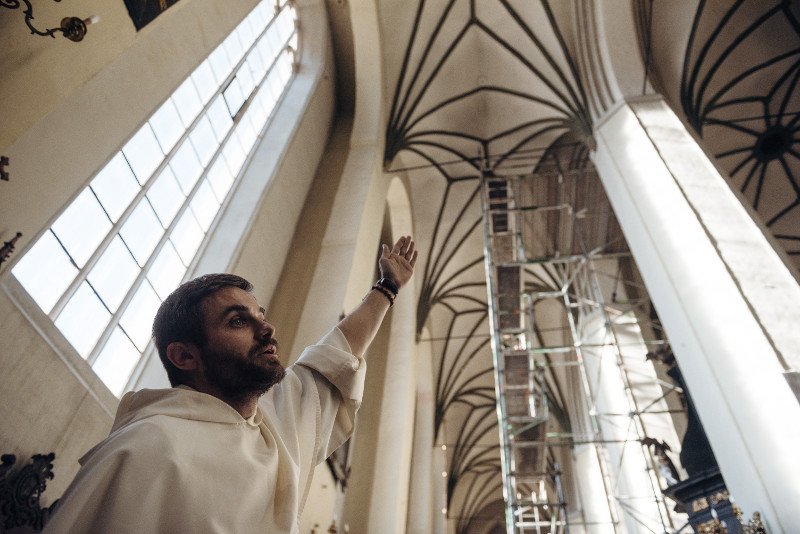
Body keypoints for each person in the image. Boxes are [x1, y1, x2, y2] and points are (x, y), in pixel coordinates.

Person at [42, 236, 418, 534]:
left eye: (261, 315)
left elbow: (332, 358)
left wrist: (387, 287)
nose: (267, 329)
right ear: (185, 356)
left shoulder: (272, 426)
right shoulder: (144, 449)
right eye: (238, 321)